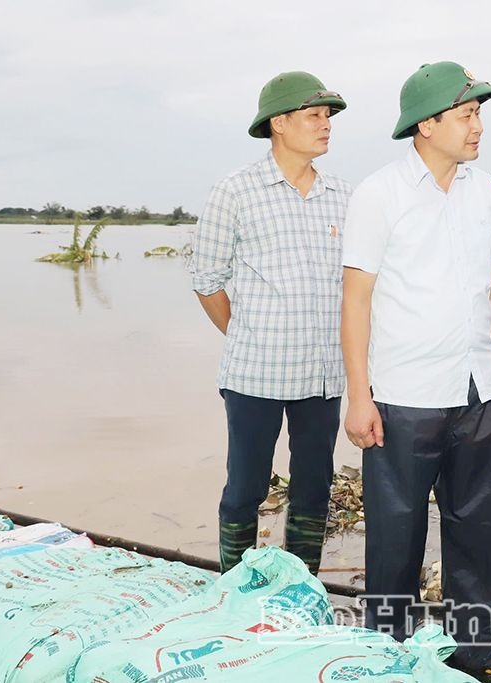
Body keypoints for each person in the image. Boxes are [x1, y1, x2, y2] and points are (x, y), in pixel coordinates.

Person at [340, 61, 491, 679]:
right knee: (396, 531)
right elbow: (356, 299)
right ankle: (387, 653)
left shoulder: (484, 191)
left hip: (476, 387)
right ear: (426, 124)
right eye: (466, 114)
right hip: (404, 391)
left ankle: (477, 646)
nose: (477, 127)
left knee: (479, 523)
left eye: (479, 114)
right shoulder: (380, 193)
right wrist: (358, 396)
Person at [188, 72, 350, 574]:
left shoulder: (342, 195)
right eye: (314, 115)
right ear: (279, 123)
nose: (326, 125)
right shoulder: (234, 192)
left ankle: (304, 585)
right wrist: (246, 334)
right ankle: (235, 586)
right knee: (247, 487)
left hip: (323, 374)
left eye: (328, 116)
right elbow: (207, 280)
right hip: (255, 374)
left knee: (315, 486)